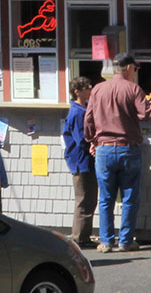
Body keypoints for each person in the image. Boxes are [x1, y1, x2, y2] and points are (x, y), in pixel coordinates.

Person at [84, 53, 151, 252]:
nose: (134, 72)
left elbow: (88, 120)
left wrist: (92, 140)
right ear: (127, 68)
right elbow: (146, 114)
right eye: (134, 69)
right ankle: (125, 241)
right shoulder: (133, 88)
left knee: (106, 198)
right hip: (127, 148)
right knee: (129, 197)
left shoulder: (98, 89)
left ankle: (106, 241)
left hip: (104, 150)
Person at [62, 76, 97, 246]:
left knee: (88, 199)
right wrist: (93, 144)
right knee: (84, 200)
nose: (90, 90)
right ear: (77, 91)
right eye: (87, 87)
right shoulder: (76, 112)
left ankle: (82, 236)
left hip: (85, 162)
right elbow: (82, 139)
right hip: (81, 162)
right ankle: (80, 238)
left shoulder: (83, 109)